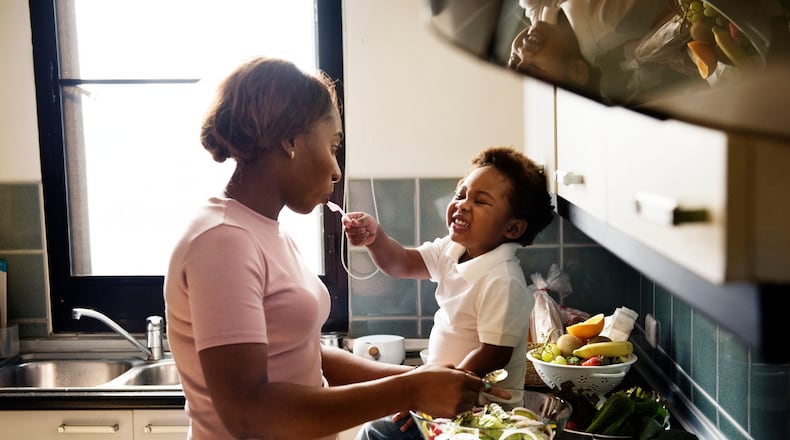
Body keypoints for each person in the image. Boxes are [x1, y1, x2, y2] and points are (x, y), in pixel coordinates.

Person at [164, 57, 494, 440]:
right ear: (290, 141)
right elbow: (247, 411)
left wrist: (420, 379)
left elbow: (306, 355)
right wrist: (409, 390)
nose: (336, 169)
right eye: (332, 145)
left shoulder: (264, 230)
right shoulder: (222, 241)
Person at [342, 146, 555, 439]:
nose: (463, 205)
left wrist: (434, 392)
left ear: (513, 228)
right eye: (461, 195)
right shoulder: (452, 250)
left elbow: (493, 354)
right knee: (375, 432)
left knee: (376, 434)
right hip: (443, 404)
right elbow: (401, 262)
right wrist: (375, 237)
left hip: (479, 418)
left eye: (481, 201)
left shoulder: (502, 280)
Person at [508, 0, 675, 102]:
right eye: (533, 69)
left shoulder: (543, 19)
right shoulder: (607, 19)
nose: (523, 52)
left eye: (514, 60)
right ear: (578, 71)